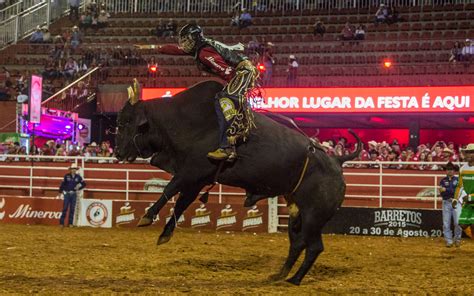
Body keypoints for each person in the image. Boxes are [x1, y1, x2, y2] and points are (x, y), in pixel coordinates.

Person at [135, 24, 258, 161]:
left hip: (242, 72)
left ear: (194, 38)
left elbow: (227, 71)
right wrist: (154, 48)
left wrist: (233, 91)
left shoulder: (204, 53)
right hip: (240, 71)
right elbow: (177, 50)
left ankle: (227, 147)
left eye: (186, 40)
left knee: (223, 100)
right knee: (224, 99)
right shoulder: (199, 47)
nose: (184, 44)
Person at [454, 143, 474, 238]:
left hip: (471, 199)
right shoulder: (462, 169)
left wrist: (470, 197)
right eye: (467, 152)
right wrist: (455, 199)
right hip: (468, 202)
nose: (469, 155)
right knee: (462, 224)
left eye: (472, 152)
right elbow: (459, 186)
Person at [440, 162, 461, 247]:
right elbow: (442, 194)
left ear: (454, 170)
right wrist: (450, 191)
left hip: (456, 202)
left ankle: (457, 239)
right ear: (446, 171)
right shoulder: (442, 180)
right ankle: (449, 241)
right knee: (446, 223)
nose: (450, 171)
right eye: (448, 169)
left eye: (451, 169)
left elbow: (457, 192)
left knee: (457, 222)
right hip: (446, 202)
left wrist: (446, 190)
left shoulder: (458, 180)